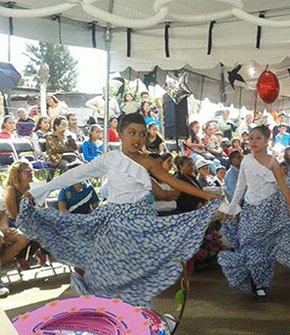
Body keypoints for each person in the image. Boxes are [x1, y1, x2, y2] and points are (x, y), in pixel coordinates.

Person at [17, 113, 221, 308]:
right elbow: (76, 174)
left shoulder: (148, 161)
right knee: (99, 265)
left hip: (139, 222)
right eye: (131, 133)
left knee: (130, 274)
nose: (137, 139)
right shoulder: (111, 159)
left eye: (142, 134)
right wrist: (40, 190)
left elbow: (172, 181)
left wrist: (205, 196)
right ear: (120, 133)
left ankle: (133, 312)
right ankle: (111, 307)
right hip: (112, 220)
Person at [218, 126, 290, 301]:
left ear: (267, 140)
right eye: (251, 138)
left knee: (265, 250)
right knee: (247, 244)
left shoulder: (273, 162)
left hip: (269, 211)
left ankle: (261, 284)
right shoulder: (246, 161)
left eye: (258, 138)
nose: (253, 141)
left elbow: (282, 184)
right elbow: (240, 187)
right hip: (249, 210)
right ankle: (254, 279)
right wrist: (231, 208)